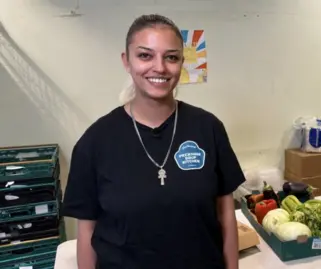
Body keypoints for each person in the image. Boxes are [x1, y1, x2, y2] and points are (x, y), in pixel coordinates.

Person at [61, 14, 246, 269]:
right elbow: (86, 232)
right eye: (145, 55)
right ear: (126, 61)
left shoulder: (208, 128)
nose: (159, 67)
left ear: (182, 62)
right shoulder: (95, 142)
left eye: (171, 57)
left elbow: (226, 214)